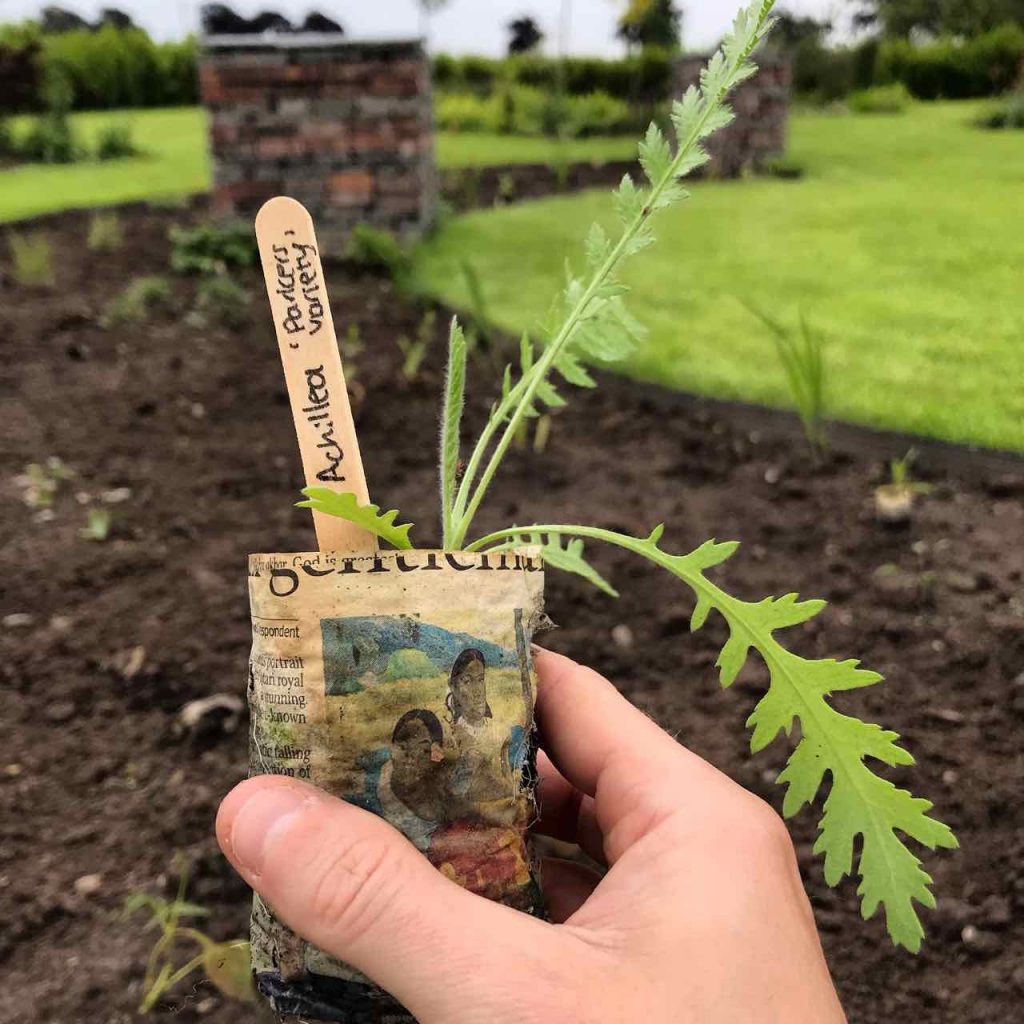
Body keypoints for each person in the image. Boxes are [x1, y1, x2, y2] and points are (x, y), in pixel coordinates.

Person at [217, 648, 848, 1023]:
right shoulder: (414, 764)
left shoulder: (480, 738)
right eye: (460, 685)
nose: (468, 691)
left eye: (476, 683)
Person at [376, 709, 448, 851]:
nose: (410, 758)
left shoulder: (445, 797)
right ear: (391, 748)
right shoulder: (375, 790)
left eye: (423, 750)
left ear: (436, 756)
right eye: (403, 747)